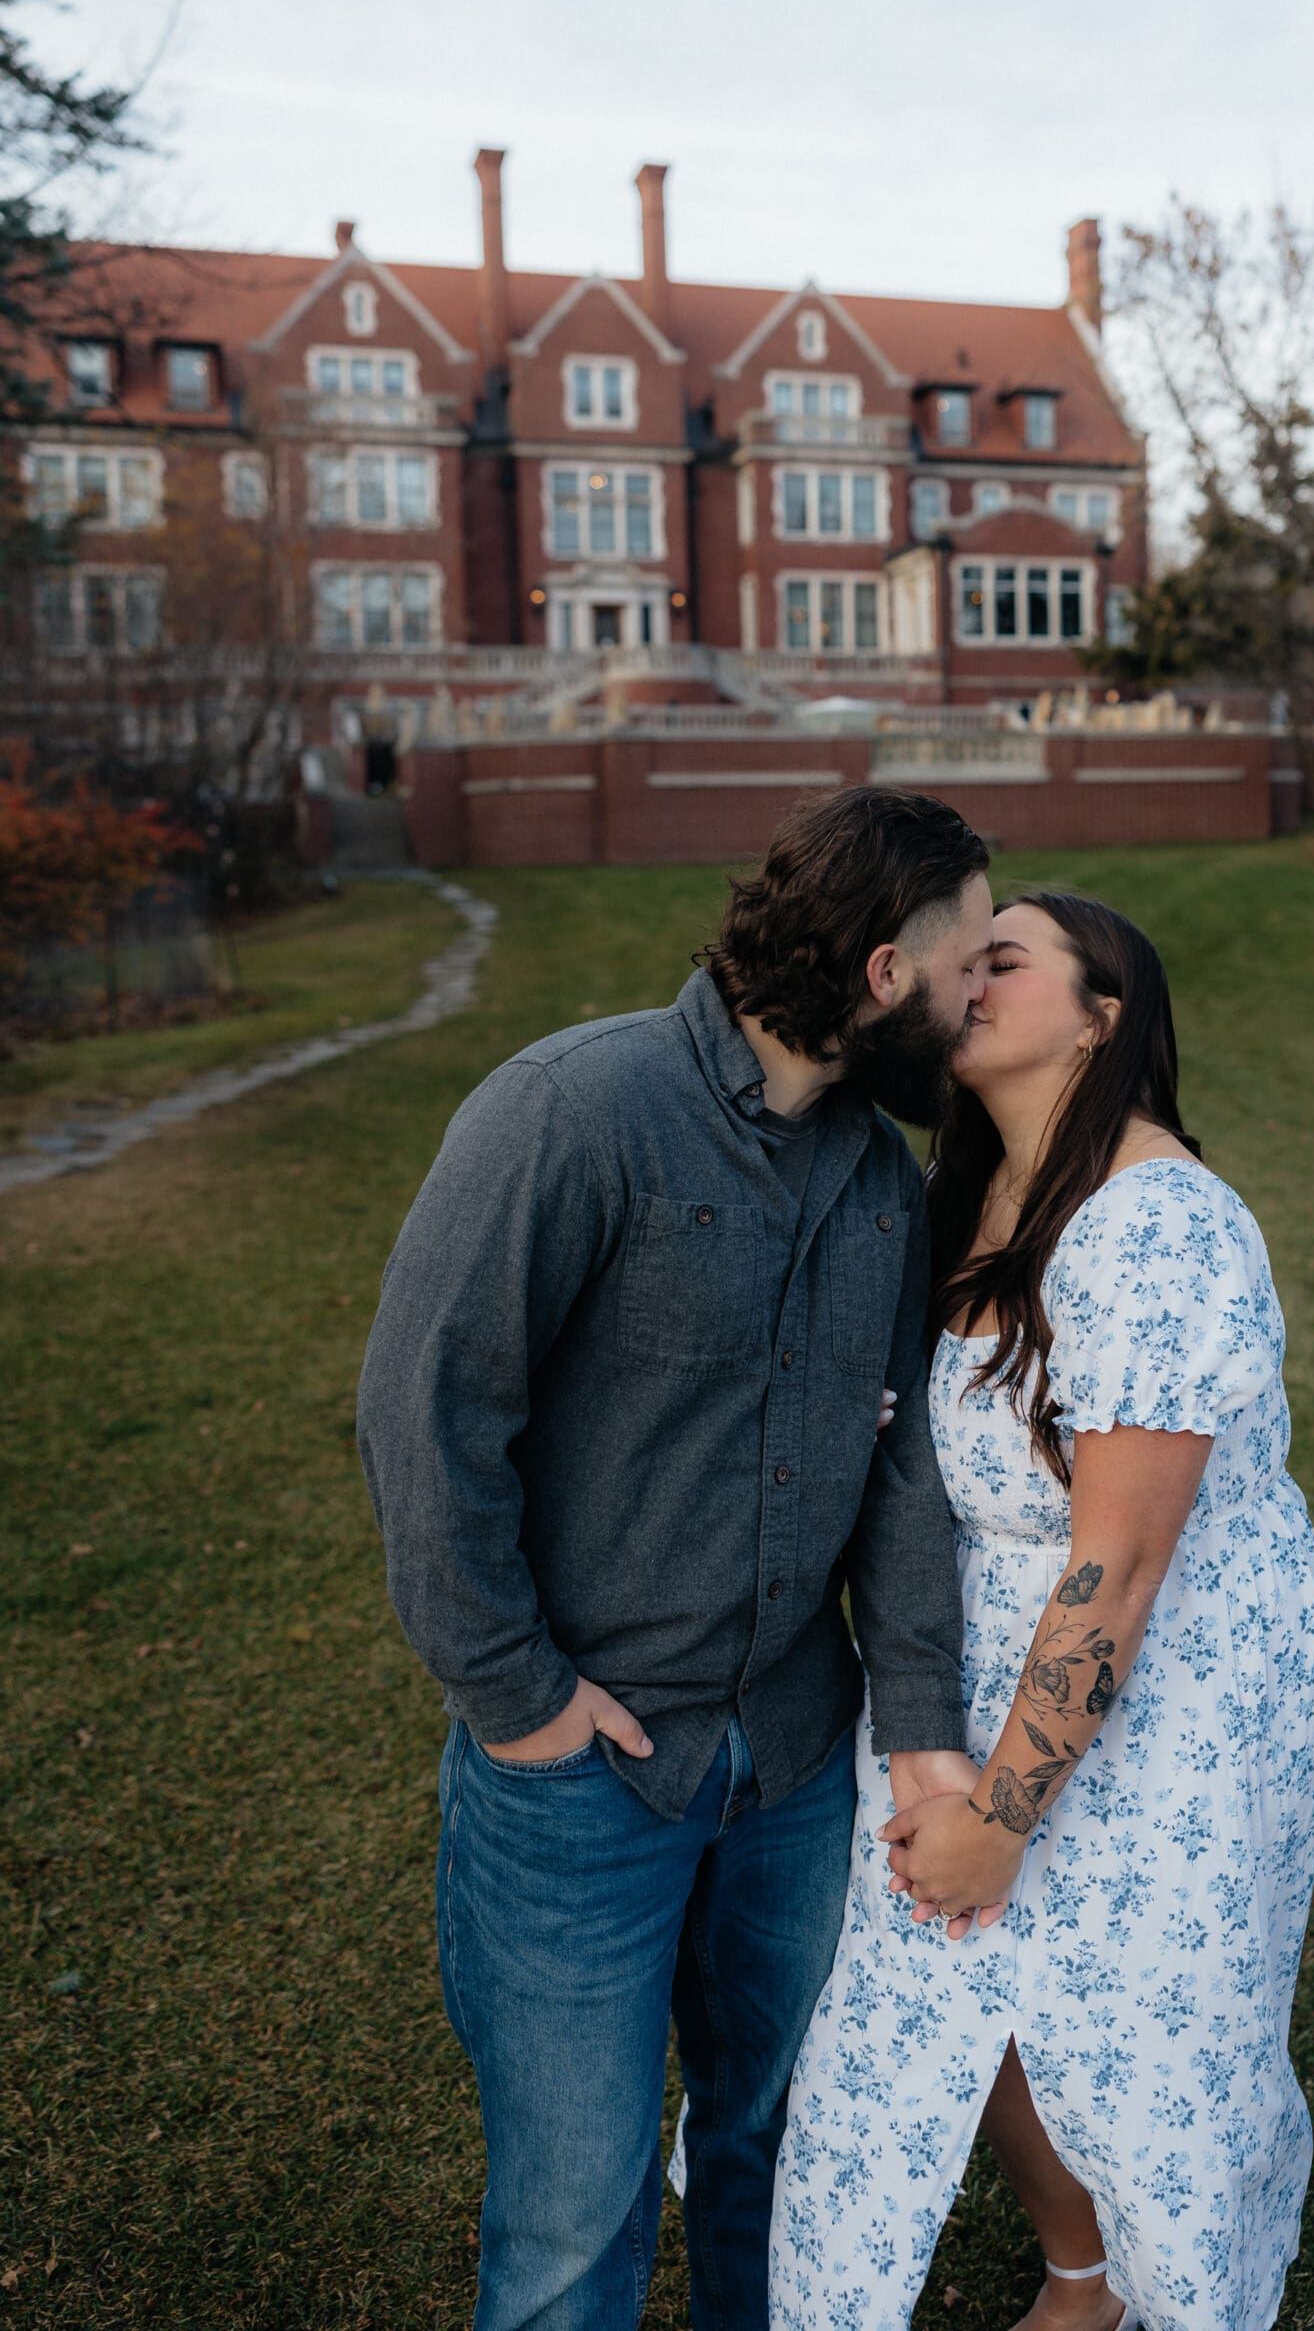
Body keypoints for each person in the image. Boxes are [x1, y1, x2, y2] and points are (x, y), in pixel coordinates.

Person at [356, 787, 996, 2331]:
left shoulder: (879, 1182)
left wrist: (911, 1728)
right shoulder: (572, 1110)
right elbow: (422, 1413)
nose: (986, 996)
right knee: (578, 2214)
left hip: (789, 1770)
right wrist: (518, 1700)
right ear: (880, 977)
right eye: (972, 959)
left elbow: (903, 1472)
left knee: (771, 2154)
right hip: (581, 1777)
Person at [770, 892, 1314, 2331]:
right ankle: (1081, 2276)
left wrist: (1006, 1813)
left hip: (1175, 1686)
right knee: (955, 1993)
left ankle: (1179, 2293)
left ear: (1101, 1016)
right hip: (974, 1659)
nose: (965, 977)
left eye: (1003, 960)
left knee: (1143, 2038)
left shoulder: (1153, 1226)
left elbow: (1124, 1567)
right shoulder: (965, 1198)